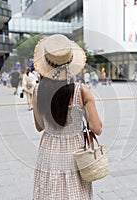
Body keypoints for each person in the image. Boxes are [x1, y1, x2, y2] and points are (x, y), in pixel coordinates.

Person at [32, 34, 102, 199]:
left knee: (50, 192)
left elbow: (39, 126)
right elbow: (96, 128)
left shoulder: (37, 91)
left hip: (48, 151)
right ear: (70, 63)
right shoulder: (81, 91)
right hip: (75, 153)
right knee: (74, 192)